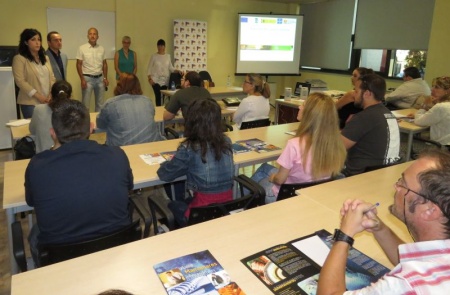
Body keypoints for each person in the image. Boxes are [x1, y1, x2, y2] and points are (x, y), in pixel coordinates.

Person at [317, 149, 450, 294]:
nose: (395, 187)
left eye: (402, 184)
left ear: (429, 210)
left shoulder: (404, 285)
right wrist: (378, 228)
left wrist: (344, 235)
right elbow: (415, 262)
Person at [25, 99, 133, 267]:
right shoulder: (117, 155)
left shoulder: (37, 165)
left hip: (60, 256)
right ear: (91, 128)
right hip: (115, 247)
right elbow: (129, 187)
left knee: (34, 234)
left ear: (52, 133)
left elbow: (31, 201)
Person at [251, 93, 347, 203]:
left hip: (285, 196)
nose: (299, 107)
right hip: (314, 194)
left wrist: (272, 178)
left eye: (303, 105)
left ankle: (244, 205)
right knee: (264, 168)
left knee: (259, 180)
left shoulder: (294, 144)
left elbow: (280, 180)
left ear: (310, 115)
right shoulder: (335, 143)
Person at [157, 98, 234, 227]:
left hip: (200, 215)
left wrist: (166, 163)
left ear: (192, 120)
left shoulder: (189, 147)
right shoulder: (226, 141)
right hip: (226, 209)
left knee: (171, 205)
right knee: (187, 198)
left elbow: (164, 175)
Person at [341, 73, 400, 176]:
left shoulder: (363, 117)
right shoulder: (387, 113)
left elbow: (335, 148)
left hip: (356, 176)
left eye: (356, 91)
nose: (353, 94)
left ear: (367, 94)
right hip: (383, 173)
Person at [96, 73, 165, 146]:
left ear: (118, 87)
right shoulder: (148, 101)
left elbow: (100, 125)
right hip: (150, 148)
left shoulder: (110, 104)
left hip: (121, 150)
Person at [12, 28, 55, 118]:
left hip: (48, 100)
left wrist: (51, 94)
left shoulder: (45, 58)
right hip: (30, 102)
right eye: (33, 39)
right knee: (35, 130)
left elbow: (52, 77)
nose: (37, 42)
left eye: (39, 39)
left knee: (48, 129)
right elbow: (20, 81)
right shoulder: (19, 59)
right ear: (26, 42)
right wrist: (39, 96)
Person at [29, 80, 72, 153]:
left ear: (51, 94)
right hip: (67, 156)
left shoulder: (39, 109)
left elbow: (32, 130)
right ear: (70, 96)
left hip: (43, 155)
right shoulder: (74, 111)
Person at [76, 27, 109, 111]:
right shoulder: (82, 48)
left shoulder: (102, 49)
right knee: (85, 105)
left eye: (94, 34)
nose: (92, 36)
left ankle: (98, 123)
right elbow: (78, 64)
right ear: (87, 36)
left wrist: (105, 78)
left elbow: (104, 64)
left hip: (100, 79)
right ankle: (86, 123)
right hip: (87, 79)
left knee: (100, 105)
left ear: (98, 36)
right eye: (90, 34)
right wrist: (82, 79)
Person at [412, 77, 450, 146]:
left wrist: (424, 105)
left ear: (447, 91)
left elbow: (418, 121)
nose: (432, 89)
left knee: (412, 139)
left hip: (441, 148)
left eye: (437, 87)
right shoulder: (443, 106)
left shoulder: (441, 107)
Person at [147, 39, 182, 106]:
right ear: (157, 46)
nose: (160, 47)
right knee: (158, 97)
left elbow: (171, 68)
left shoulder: (168, 56)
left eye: (162, 46)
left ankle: (163, 112)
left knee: (163, 98)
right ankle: (158, 112)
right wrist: (149, 79)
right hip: (155, 80)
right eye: (159, 46)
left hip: (165, 81)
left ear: (164, 46)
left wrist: (178, 71)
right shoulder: (154, 56)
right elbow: (149, 68)